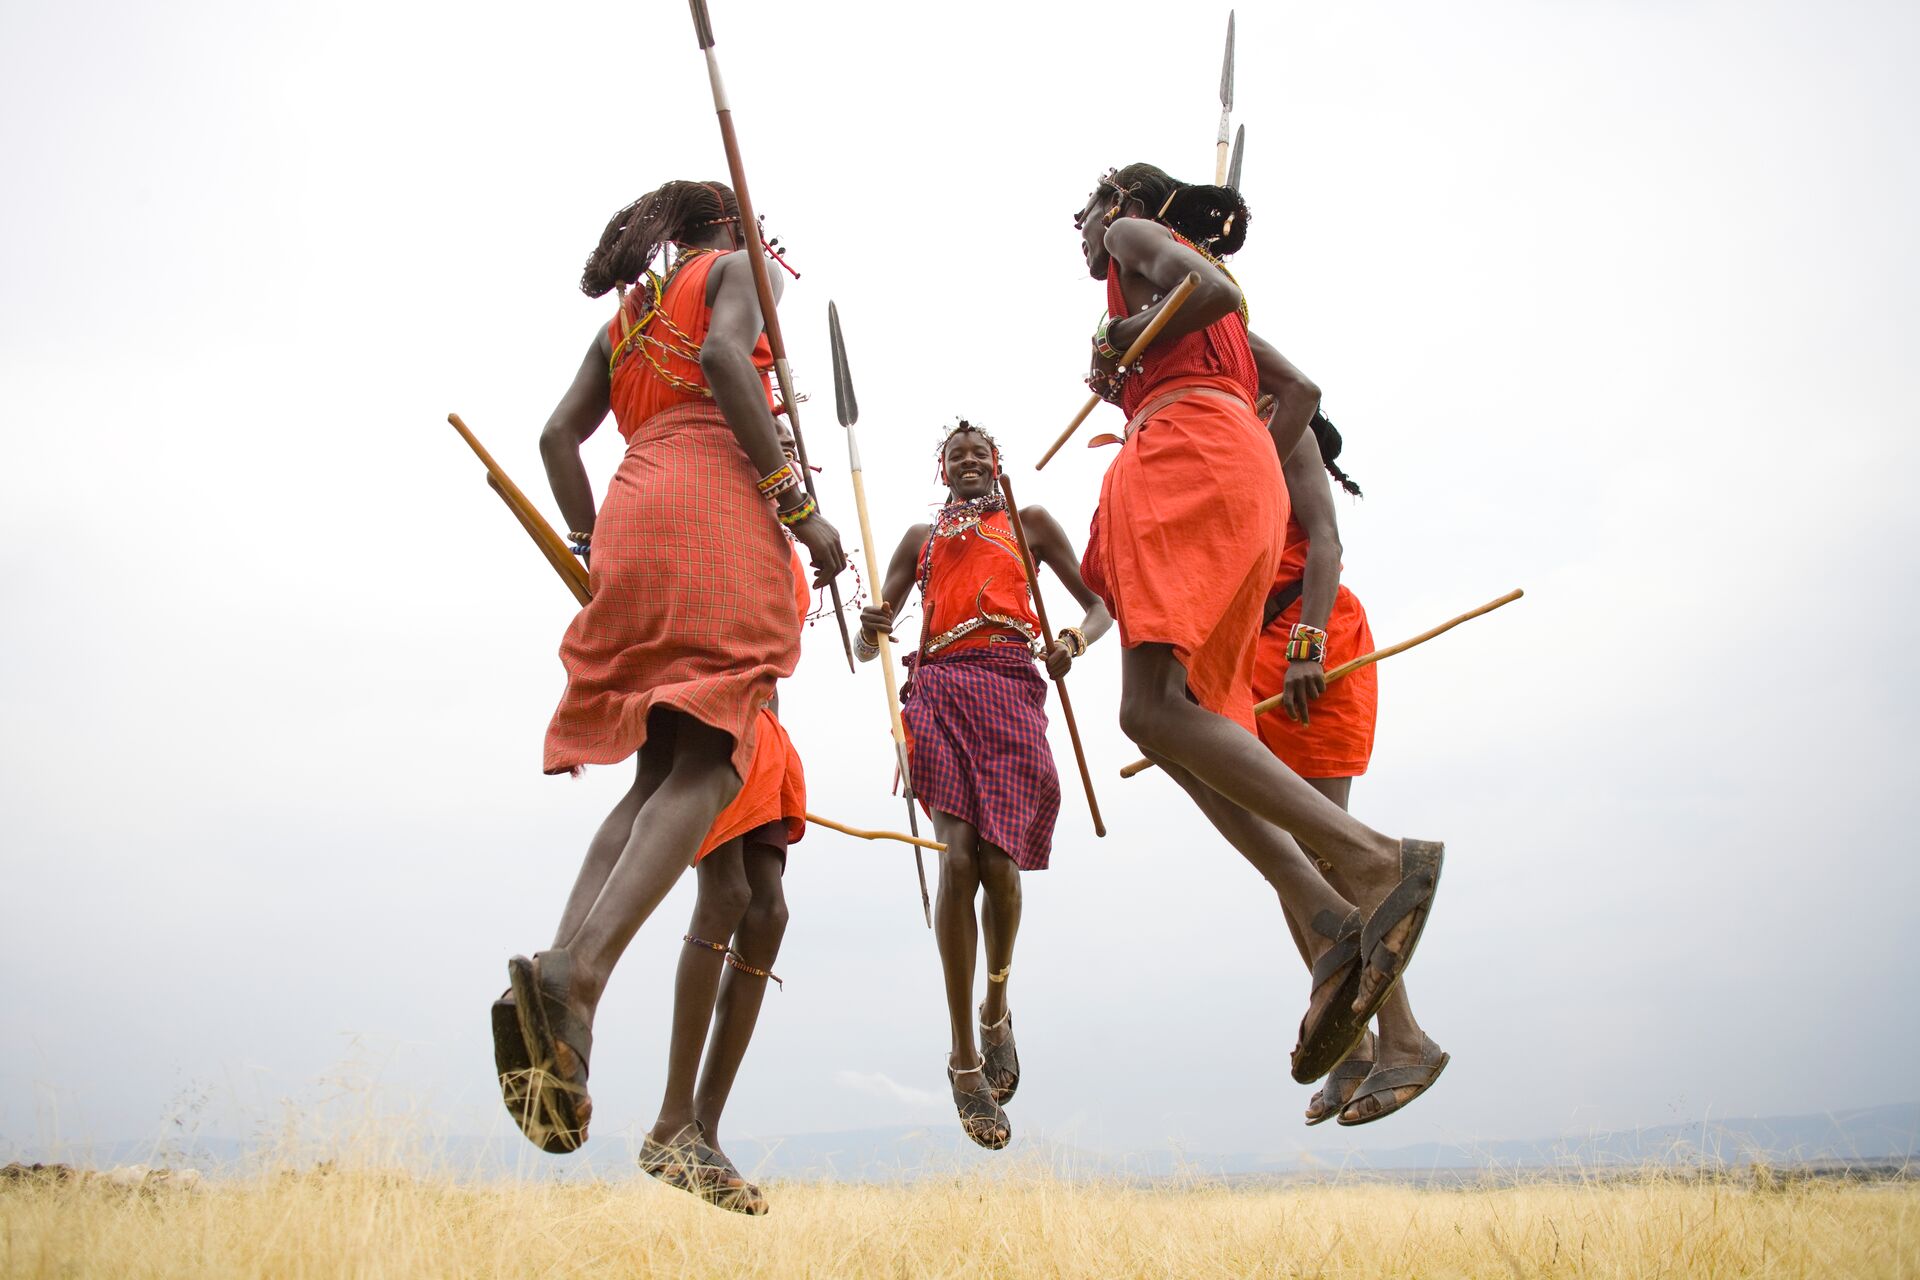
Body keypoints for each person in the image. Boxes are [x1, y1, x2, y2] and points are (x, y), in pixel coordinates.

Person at [491, 179, 846, 1161]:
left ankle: (566, 970)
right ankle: (582, 980)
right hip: (715, 501)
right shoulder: (743, 269)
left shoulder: (632, 316)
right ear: (728, 226)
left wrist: (589, 540)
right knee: (714, 758)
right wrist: (796, 503)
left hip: (635, 508)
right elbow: (730, 357)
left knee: (657, 771)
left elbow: (558, 437)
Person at [1072, 163, 1443, 1085]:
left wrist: (1128, 337)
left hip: (1189, 449)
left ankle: (1371, 860)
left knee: (1154, 714)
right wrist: (1240, 463)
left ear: (1120, 204)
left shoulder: (1133, 242)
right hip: (1226, 458)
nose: (1081, 233)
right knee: (1184, 726)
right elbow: (1302, 391)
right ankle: (1327, 927)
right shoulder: (1215, 336)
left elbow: (1215, 286)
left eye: (1083, 215)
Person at [858, 421, 1111, 1148]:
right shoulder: (918, 540)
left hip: (1009, 684)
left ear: (998, 465)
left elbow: (1100, 607)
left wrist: (1070, 643)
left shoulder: (1029, 523)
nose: (969, 462)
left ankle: (996, 1006)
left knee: (1000, 863)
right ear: (943, 471)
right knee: (958, 858)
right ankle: (963, 1058)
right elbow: (866, 638)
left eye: (980, 454)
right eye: (956, 456)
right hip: (935, 687)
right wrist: (871, 623)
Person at [1257, 411, 1449, 1125]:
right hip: (1252, 660)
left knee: (1328, 854)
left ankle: (1406, 1041)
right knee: (1287, 860)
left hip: (1312, 644)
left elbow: (1325, 546)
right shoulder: (1225, 442)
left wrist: (1307, 642)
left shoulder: (1282, 424)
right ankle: (1352, 1047)